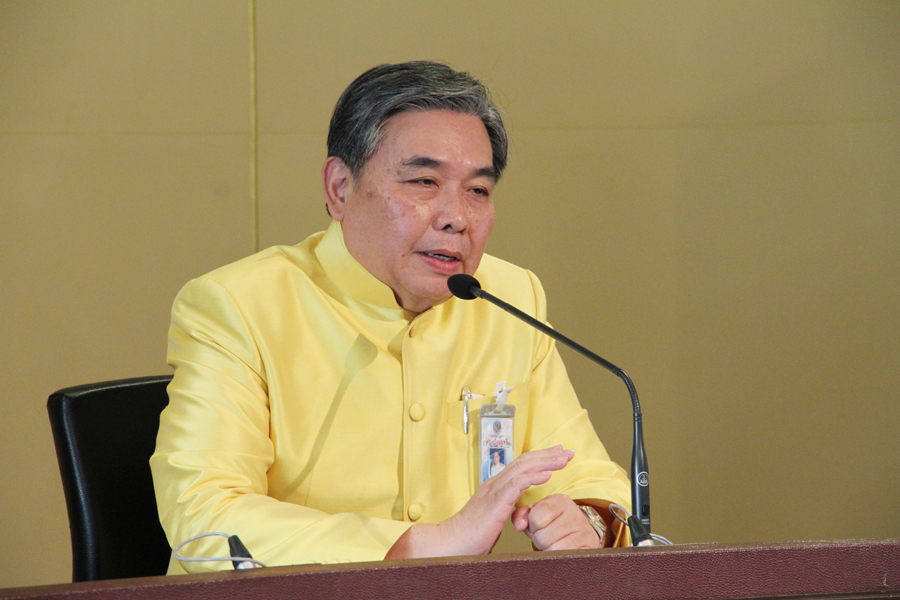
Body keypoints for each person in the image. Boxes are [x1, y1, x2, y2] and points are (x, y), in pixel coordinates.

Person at [151, 61, 631, 574]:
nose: (456, 217)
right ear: (340, 188)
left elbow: (588, 476)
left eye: (478, 190)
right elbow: (203, 517)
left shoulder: (508, 298)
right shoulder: (239, 305)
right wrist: (423, 544)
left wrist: (588, 521)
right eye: (424, 181)